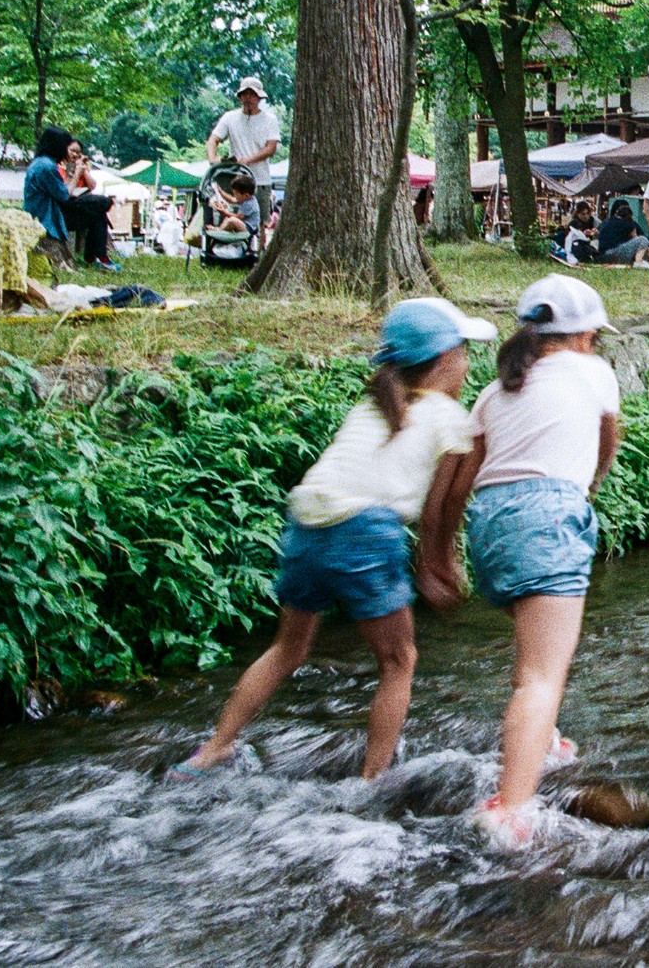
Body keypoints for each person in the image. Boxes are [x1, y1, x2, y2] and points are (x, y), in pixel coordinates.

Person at [171, 298, 496, 784]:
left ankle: (213, 750)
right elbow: (439, 510)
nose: (468, 364)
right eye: (465, 352)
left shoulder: (373, 405)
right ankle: (371, 782)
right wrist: (437, 565)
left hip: (306, 522)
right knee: (399, 660)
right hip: (366, 531)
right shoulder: (448, 416)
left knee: (288, 648)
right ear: (447, 359)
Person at [440, 275, 623, 848]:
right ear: (585, 336)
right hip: (550, 512)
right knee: (545, 676)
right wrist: (587, 485)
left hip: (489, 523)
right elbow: (608, 437)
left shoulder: (496, 392)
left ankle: (540, 743)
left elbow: (460, 477)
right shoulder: (593, 372)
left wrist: (438, 552)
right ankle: (512, 808)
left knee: (532, 660)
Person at [206, 76, 281, 240]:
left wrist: (248, 160)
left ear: (259, 97)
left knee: (260, 221)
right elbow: (213, 140)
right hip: (235, 180)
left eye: (252, 94)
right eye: (244, 94)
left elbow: (271, 148)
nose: (248, 98)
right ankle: (225, 249)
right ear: (239, 96)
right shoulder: (230, 117)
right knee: (227, 215)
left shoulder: (270, 120)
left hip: (260, 179)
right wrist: (214, 160)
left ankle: (258, 255)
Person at [61, 139, 119, 270]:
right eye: (72, 151)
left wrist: (83, 170)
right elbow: (66, 192)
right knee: (102, 204)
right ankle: (99, 258)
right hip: (66, 209)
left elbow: (92, 185)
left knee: (99, 215)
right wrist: (75, 173)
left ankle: (95, 258)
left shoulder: (80, 168)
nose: (75, 155)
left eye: (78, 152)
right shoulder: (59, 167)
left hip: (80, 207)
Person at [23, 126, 75, 251]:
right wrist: (77, 172)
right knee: (99, 204)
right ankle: (99, 257)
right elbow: (63, 195)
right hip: (45, 216)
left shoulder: (41, 162)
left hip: (41, 211)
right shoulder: (47, 166)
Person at [595, 201, 649, 266]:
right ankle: (638, 262)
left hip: (603, 257)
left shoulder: (608, 222)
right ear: (630, 216)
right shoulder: (627, 223)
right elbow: (636, 239)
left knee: (642, 247)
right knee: (643, 240)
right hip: (614, 254)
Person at [211, 171, 262, 239]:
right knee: (228, 218)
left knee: (232, 220)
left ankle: (219, 231)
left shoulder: (249, 204)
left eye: (236, 194)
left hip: (249, 229)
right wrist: (220, 191)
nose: (234, 196)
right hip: (243, 224)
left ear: (246, 195)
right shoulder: (245, 199)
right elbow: (231, 199)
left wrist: (224, 212)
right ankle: (220, 229)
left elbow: (239, 217)